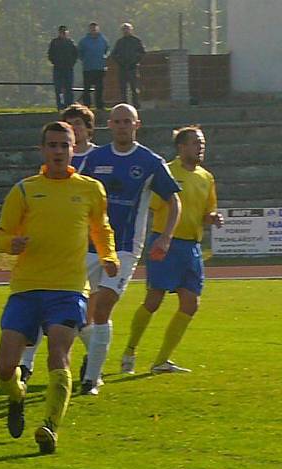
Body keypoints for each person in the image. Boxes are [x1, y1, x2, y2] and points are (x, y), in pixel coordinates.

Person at [0, 121, 118, 454]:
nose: (59, 151)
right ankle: (17, 396)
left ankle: (50, 426)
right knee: (5, 367)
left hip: (68, 289)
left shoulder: (91, 189)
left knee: (58, 355)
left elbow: (101, 228)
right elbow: (0, 233)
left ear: (74, 148)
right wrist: (11, 243)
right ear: (43, 150)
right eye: (53, 145)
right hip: (26, 287)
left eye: (65, 145)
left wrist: (108, 255)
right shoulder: (24, 190)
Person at [76, 103, 181, 395]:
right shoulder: (95, 158)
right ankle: (89, 357)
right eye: (117, 121)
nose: (122, 126)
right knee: (74, 310)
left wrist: (165, 237)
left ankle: (91, 379)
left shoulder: (150, 161)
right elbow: (76, 190)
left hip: (123, 248)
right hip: (88, 245)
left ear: (137, 125)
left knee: (103, 307)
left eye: (128, 121)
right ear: (109, 125)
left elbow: (174, 201)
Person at [121, 126, 223, 374]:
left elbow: (206, 211)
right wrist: (162, 238)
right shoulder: (166, 171)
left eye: (202, 143)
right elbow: (154, 205)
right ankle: (130, 351)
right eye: (196, 143)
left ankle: (161, 361)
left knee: (190, 304)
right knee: (154, 300)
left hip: (192, 247)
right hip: (166, 243)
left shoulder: (206, 177)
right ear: (181, 147)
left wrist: (212, 218)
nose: (201, 147)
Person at [17, 103, 99, 382]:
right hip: (45, 260)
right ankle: (26, 365)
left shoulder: (102, 159)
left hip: (87, 252)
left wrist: (109, 250)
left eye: (77, 124)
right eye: (68, 123)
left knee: (87, 314)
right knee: (47, 314)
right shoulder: (45, 170)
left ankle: (94, 363)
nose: (72, 129)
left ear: (87, 130)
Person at [111, 23, 145, 109]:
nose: (126, 31)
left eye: (127, 29)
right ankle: (124, 106)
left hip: (133, 68)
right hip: (122, 68)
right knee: (123, 88)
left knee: (134, 88)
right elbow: (114, 54)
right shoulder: (120, 42)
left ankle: (136, 105)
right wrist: (120, 62)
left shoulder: (136, 40)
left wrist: (135, 61)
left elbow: (142, 52)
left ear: (131, 30)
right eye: (124, 29)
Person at [77, 22, 109, 111]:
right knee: (87, 88)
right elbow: (80, 53)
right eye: (92, 29)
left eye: (95, 29)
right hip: (88, 68)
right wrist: (85, 60)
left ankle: (100, 105)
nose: (93, 30)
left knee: (99, 88)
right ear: (89, 29)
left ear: (98, 29)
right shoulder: (84, 41)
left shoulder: (103, 40)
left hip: (100, 67)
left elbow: (106, 50)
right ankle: (87, 105)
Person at [48, 25, 78, 111]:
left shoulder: (71, 43)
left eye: (65, 32)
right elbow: (50, 55)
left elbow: (75, 55)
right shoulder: (54, 42)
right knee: (59, 89)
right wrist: (56, 63)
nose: (63, 34)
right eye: (61, 32)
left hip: (68, 69)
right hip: (58, 69)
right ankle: (60, 105)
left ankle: (69, 105)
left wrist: (71, 64)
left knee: (69, 88)